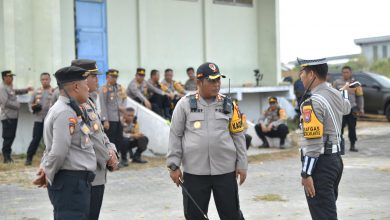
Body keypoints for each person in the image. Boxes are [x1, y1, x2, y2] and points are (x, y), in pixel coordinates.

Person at [167, 62, 247, 220]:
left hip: (225, 171)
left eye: (218, 80)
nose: (216, 84)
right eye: (211, 81)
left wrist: (242, 164)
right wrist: (173, 165)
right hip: (195, 172)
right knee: (195, 216)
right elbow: (175, 135)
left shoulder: (229, 105)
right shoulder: (184, 104)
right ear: (199, 82)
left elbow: (238, 135)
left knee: (231, 215)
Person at [35, 66, 96, 219]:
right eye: (85, 84)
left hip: (74, 183)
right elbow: (58, 150)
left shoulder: (69, 109)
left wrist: (46, 168)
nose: (88, 87)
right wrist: (47, 172)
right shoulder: (65, 112)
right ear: (76, 87)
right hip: (71, 184)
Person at [297, 57, 351, 219]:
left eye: (303, 73)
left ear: (312, 74)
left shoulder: (312, 103)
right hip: (335, 161)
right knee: (327, 211)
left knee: (323, 215)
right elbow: (346, 108)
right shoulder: (334, 93)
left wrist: (306, 173)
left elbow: (313, 143)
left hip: (320, 164)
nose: (301, 77)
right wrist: (345, 91)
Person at [71, 59, 119, 220]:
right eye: (94, 76)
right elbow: (90, 137)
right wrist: (108, 159)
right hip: (87, 173)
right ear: (83, 78)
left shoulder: (89, 101)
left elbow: (100, 133)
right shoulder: (76, 106)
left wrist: (112, 150)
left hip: (98, 173)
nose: (97, 80)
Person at [0, 70, 33, 163]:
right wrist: (17, 105)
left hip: (13, 116)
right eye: (10, 76)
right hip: (7, 117)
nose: (12, 78)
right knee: (8, 137)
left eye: (12, 76)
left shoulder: (9, 87)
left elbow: (16, 92)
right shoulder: (2, 88)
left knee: (11, 136)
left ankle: (8, 157)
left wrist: (27, 90)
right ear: (4, 78)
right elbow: (5, 102)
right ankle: (6, 158)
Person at [332, 66, 364, 152]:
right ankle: (339, 146)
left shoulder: (355, 83)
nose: (345, 74)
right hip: (340, 110)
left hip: (352, 109)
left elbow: (360, 97)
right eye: (343, 72)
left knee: (352, 128)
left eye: (347, 72)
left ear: (351, 73)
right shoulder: (336, 83)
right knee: (339, 128)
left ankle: (352, 145)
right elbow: (332, 96)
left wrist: (361, 109)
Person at [25, 72, 54, 165]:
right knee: (36, 139)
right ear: (41, 80)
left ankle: (52, 159)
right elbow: (30, 103)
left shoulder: (54, 91)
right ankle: (29, 158)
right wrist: (33, 109)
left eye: (47, 79)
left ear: (50, 80)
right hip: (39, 119)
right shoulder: (36, 92)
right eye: (43, 79)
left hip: (50, 120)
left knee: (52, 139)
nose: (45, 81)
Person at [99, 69, 127, 153]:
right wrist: (105, 120)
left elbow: (124, 98)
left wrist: (123, 107)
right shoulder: (104, 88)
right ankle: (111, 158)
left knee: (119, 139)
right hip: (110, 119)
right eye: (113, 77)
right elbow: (103, 104)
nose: (115, 79)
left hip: (120, 118)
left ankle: (118, 158)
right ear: (107, 77)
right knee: (111, 139)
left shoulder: (120, 87)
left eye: (116, 77)